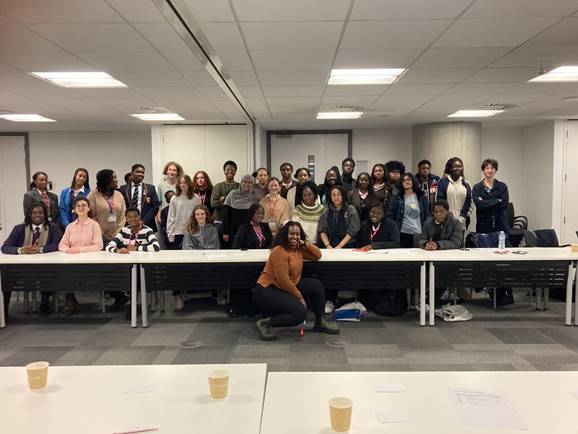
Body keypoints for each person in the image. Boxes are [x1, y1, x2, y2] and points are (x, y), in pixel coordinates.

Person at [252, 221, 339, 341]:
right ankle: (266, 323)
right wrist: (299, 297)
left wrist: (305, 243)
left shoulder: (298, 249)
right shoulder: (279, 251)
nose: (295, 237)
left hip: (286, 285)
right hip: (268, 289)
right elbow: (283, 280)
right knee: (300, 314)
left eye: (297, 234)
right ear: (285, 235)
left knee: (316, 285)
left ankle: (320, 322)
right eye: (291, 234)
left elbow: (317, 255)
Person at [1, 203, 62, 317]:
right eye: (34, 213)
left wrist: (41, 249)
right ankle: (3, 310)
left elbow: (58, 245)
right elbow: (5, 247)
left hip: (44, 267)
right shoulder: (19, 228)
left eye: (40, 212)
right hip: (22, 268)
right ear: (29, 214)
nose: (37, 215)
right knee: (5, 276)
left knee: (47, 272)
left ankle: (44, 304)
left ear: (45, 214)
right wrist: (20, 250)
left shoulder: (53, 228)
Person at [318, 185, 360, 313]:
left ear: (343, 195)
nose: (336, 197)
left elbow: (353, 230)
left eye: (338, 194)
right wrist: (328, 246)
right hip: (331, 248)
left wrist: (339, 247)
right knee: (331, 275)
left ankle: (348, 302)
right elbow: (322, 230)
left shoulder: (350, 209)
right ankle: (330, 300)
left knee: (346, 274)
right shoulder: (326, 211)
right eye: (333, 195)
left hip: (348, 247)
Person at [59, 196, 104, 314]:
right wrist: (68, 250)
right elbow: (62, 245)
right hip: (72, 261)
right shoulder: (70, 226)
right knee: (63, 272)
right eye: (78, 206)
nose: (81, 208)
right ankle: (70, 300)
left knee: (71, 273)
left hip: (90, 262)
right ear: (74, 210)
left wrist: (79, 249)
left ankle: (70, 301)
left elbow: (99, 246)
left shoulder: (94, 225)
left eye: (84, 205)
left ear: (89, 208)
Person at [417, 200, 465, 306]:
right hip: (429, 258)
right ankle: (423, 299)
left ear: (447, 211)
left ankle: (431, 300)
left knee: (443, 273)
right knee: (419, 270)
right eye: (436, 212)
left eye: (441, 211)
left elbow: (456, 242)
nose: (438, 214)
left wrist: (438, 245)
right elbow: (421, 239)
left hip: (449, 260)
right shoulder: (428, 222)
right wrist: (426, 244)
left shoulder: (456, 223)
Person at [387, 172, 429, 248]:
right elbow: (391, 216)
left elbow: (427, 214)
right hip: (403, 232)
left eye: (409, 179)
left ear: (413, 182)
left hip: (418, 232)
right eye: (404, 180)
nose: (406, 182)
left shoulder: (421, 196)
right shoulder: (397, 198)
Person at [87, 169, 125, 243]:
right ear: (106, 180)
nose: (116, 180)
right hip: (98, 236)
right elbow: (91, 216)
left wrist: (117, 233)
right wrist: (102, 234)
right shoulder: (92, 195)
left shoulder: (119, 195)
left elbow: (123, 215)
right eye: (114, 178)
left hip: (118, 236)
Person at [472, 158, 509, 234]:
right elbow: (479, 205)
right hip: (482, 226)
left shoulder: (502, 186)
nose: (489, 170)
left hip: (500, 225)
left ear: (495, 170)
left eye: (492, 168)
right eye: (487, 168)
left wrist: (484, 202)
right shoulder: (477, 187)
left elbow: (504, 205)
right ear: (483, 171)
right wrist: (497, 201)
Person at [119, 164, 159, 230]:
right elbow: (121, 207)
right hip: (128, 225)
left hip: (147, 224)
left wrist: (144, 221)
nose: (140, 174)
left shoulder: (150, 188)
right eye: (138, 172)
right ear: (132, 173)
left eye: (142, 172)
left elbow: (155, 206)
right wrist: (129, 220)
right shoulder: (123, 189)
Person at [436, 157, 472, 228]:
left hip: (461, 221)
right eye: (455, 166)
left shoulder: (466, 184)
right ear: (450, 168)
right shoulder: (442, 182)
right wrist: (449, 216)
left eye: (460, 166)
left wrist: (462, 216)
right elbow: (440, 201)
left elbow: (468, 202)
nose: (458, 168)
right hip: (446, 220)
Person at [167, 175, 200, 249]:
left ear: (189, 183)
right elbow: (171, 218)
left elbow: (199, 216)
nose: (182, 184)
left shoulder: (196, 198)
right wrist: (170, 235)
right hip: (178, 233)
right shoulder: (174, 198)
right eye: (180, 183)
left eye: (184, 182)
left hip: (193, 232)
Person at [222, 175, 257, 247]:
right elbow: (226, 215)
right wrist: (225, 232)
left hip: (248, 231)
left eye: (250, 182)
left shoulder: (254, 198)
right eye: (245, 182)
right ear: (241, 183)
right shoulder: (232, 194)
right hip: (233, 231)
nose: (247, 184)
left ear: (252, 185)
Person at [211, 160, 240, 233]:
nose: (230, 171)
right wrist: (232, 200)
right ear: (224, 171)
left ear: (235, 171)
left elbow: (239, 203)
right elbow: (213, 203)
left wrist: (223, 198)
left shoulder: (239, 186)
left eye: (232, 170)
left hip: (235, 220)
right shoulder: (217, 186)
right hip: (220, 220)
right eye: (227, 170)